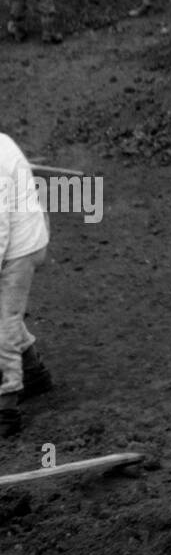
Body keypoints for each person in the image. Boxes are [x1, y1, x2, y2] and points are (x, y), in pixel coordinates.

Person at [0, 130, 52, 438]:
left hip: (19, 248)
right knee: (8, 313)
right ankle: (34, 374)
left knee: (4, 323)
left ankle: (6, 408)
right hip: (22, 237)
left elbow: (0, 222)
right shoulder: (3, 140)